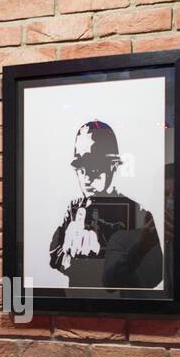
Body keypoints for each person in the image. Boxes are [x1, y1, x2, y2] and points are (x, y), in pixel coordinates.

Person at [47, 120, 163, 290]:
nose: (85, 175)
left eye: (93, 166)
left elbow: (151, 273)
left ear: (113, 166)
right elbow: (54, 256)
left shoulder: (138, 212)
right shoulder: (73, 210)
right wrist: (69, 256)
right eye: (80, 167)